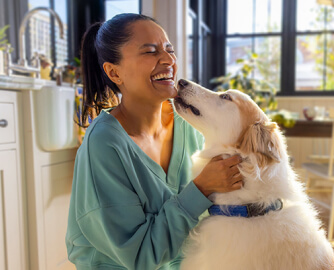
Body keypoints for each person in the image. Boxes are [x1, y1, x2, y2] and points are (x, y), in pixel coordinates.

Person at [66, 13, 243, 270]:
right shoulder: (103, 144)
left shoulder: (187, 121)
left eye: (169, 50)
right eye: (150, 52)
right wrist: (201, 189)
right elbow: (139, 257)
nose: (169, 60)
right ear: (114, 72)